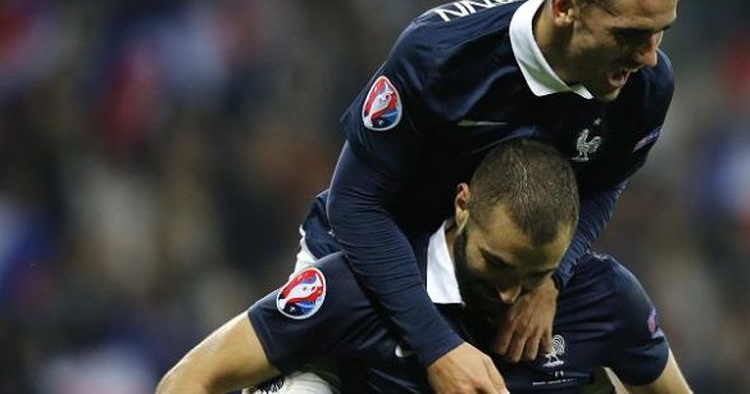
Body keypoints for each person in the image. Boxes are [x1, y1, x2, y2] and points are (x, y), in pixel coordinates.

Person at [314, 0, 690, 391]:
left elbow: (602, 185)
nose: (647, 56)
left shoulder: (644, 88)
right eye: (629, 34)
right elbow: (355, 204)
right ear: (564, 6)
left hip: (492, 292)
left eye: (660, 33)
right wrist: (435, 345)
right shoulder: (441, 57)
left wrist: (550, 279)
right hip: (367, 278)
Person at [156, 140, 692, 394]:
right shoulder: (361, 286)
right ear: (462, 206)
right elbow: (188, 381)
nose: (509, 293)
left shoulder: (604, 299)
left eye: (534, 275)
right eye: (496, 264)